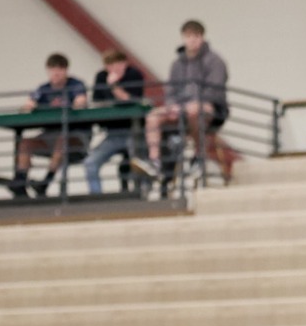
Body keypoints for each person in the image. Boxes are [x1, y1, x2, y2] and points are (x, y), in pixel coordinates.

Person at [136, 20, 227, 180]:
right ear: (183, 38)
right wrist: (173, 106)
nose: (192, 40)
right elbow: (170, 90)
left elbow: (215, 90)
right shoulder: (177, 64)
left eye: (196, 36)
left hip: (211, 108)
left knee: (194, 110)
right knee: (153, 116)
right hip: (181, 108)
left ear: (202, 37)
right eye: (188, 36)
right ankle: (154, 161)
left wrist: (195, 103)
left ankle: (199, 156)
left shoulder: (214, 61)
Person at [8, 53, 88, 199]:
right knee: (25, 144)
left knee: (61, 140)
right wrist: (29, 107)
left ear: (66, 70)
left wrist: (76, 104)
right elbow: (28, 104)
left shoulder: (76, 85)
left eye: (60, 69)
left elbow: (80, 101)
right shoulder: (43, 89)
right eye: (52, 69)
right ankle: (20, 182)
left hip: (74, 136)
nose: (56, 73)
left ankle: (45, 183)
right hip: (49, 135)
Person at [83, 49, 147, 196]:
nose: (115, 69)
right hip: (112, 134)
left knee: (139, 162)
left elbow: (131, 100)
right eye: (110, 65)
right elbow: (97, 103)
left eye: (118, 64)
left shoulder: (134, 75)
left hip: (134, 132)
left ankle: (142, 193)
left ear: (125, 63)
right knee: (90, 162)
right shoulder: (101, 76)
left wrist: (113, 85)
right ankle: (96, 198)